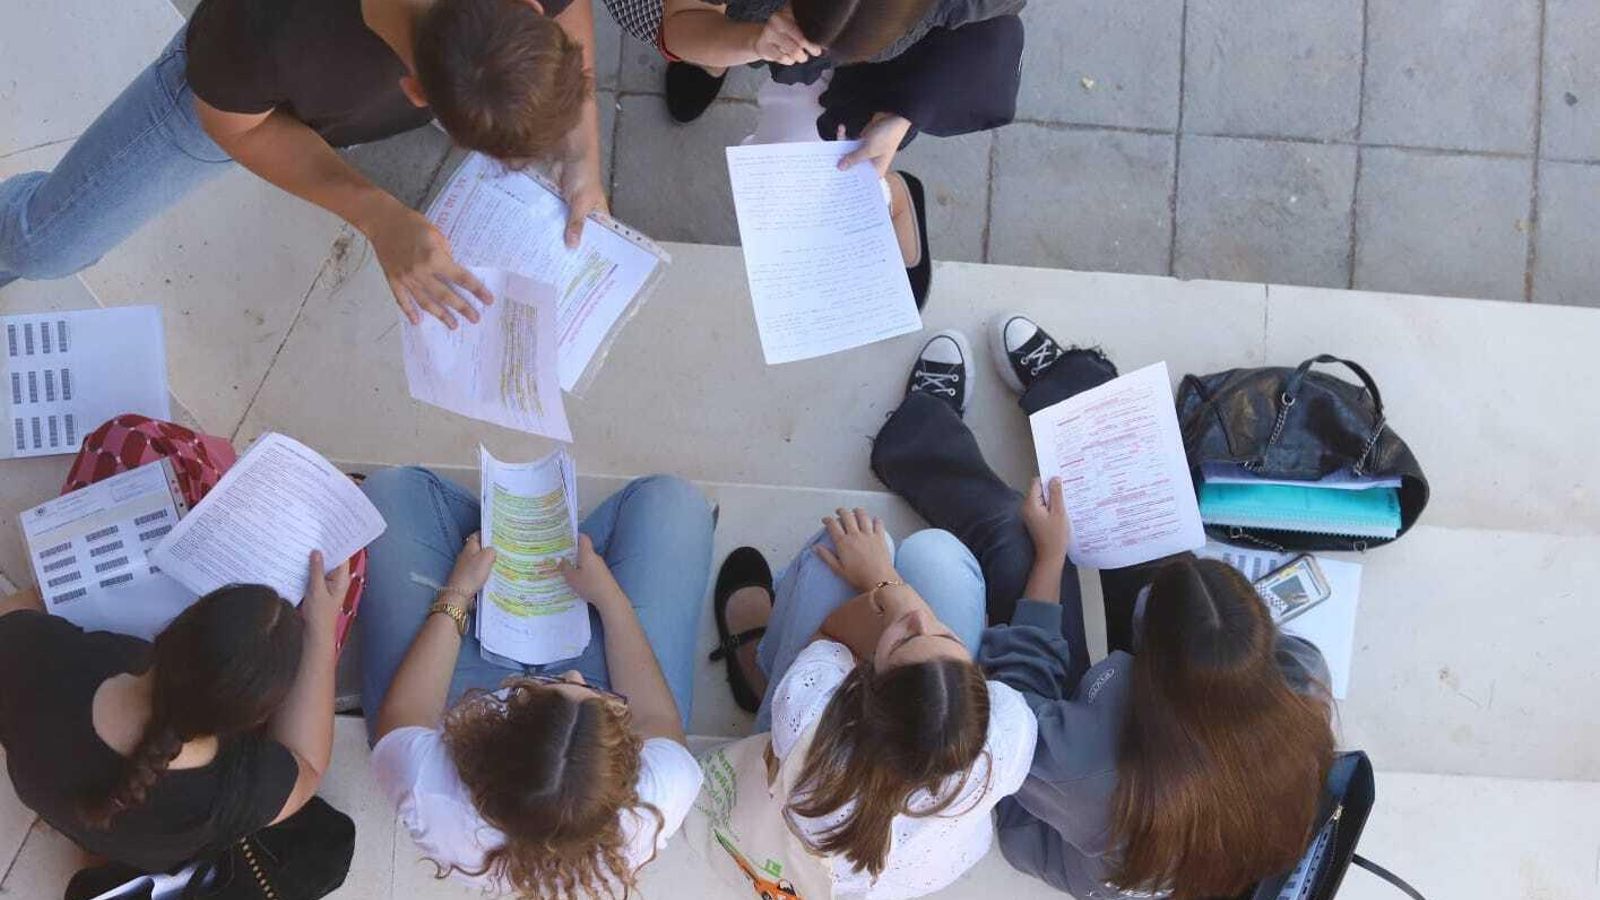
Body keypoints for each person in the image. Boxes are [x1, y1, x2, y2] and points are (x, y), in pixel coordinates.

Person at [870, 318, 1337, 899]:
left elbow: (1018, 707)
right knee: (1149, 532)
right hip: (1153, 772)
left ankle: (916, 441)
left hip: (1053, 796)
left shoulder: (1088, 769)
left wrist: (1050, 556)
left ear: (1147, 662)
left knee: (1014, 542)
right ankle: (1079, 398)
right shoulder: (1302, 681)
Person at [0, 0, 606, 330]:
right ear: (416, 93)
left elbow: (570, 7)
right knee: (47, 245)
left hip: (324, 89)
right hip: (232, 99)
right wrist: (376, 215)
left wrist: (584, 156)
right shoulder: (269, 28)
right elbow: (236, 126)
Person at [357, 467, 714, 899]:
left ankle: (489, 539)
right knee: (674, 503)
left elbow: (405, 713)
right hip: (579, 700)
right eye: (591, 694)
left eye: (552, 685)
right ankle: (539, 547)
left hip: (452, 695)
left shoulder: (429, 785)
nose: (575, 675)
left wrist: (459, 591)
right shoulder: (659, 794)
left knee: (390, 492)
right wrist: (611, 599)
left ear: (484, 735)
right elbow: (656, 714)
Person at [710, 508, 1037, 898]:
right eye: (948, 639)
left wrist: (886, 584)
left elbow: (832, 632)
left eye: (906, 639)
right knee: (937, 552)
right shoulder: (1009, 734)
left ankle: (761, 669)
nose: (920, 617)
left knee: (839, 549)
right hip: (888, 878)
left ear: (860, 685)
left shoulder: (813, 726)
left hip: (798, 775)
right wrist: (893, 599)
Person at [646, 0, 1026, 308]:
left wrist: (902, 114)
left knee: (806, 173)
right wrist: (750, 40)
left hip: (896, 68)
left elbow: (993, 26)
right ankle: (715, 58)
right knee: (711, 35)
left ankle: (889, 192)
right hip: (766, 26)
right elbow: (680, 24)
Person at [0, 560, 345, 874]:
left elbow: (11, 617)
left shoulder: (47, 657)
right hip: (138, 853)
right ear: (253, 721)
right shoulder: (240, 788)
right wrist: (321, 630)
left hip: (46, 796)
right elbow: (308, 765)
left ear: (170, 630)